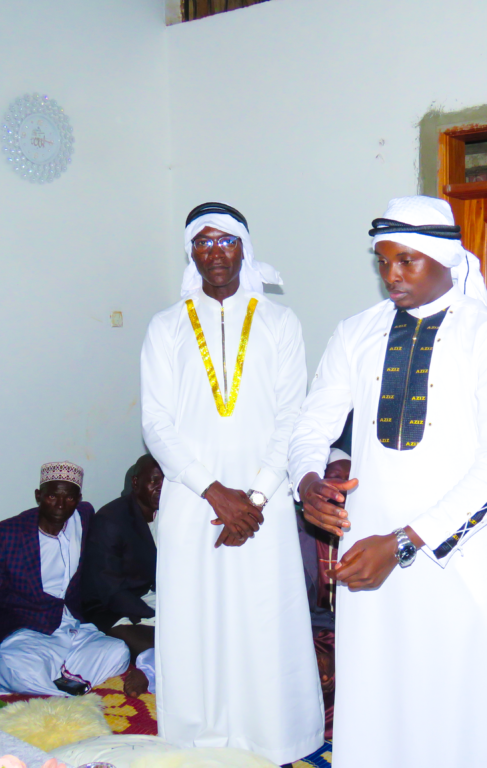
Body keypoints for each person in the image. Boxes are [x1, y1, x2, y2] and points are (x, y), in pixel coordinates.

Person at [289, 195, 487, 768]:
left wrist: (404, 542)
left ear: (445, 257)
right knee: (378, 694)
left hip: (454, 555)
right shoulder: (356, 332)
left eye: (406, 260)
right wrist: (306, 481)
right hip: (367, 545)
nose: (391, 275)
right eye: (383, 261)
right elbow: (312, 425)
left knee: (455, 700)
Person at [141, 202, 323, 763]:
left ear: (244, 248)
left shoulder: (280, 322)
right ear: (190, 252)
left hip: (264, 501)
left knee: (263, 616)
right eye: (203, 242)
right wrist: (215, 492)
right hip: (192, 498)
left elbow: (292, 416)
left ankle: (271, 735)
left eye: (225, 241)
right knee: (194, 617)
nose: (214, 252)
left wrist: (258, 497)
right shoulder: (166, 326)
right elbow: (156, 423)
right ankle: (197, 737)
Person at [0, 461, 130, 696]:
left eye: (69, 498)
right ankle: (68, 688)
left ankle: (55, 686)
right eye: (52, 496)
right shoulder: (8, 533)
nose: (61, 505)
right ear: (39, 496)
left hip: (73, 629)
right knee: (17, 670)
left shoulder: (84, 516)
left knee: (119, 652)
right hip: (28, 633)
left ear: (78, 499)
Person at [81, 454, 163, 698]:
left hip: (151, 597)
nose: (161, 487)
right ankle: (147, 670)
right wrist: (155, 614)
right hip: (112, 607)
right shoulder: (111, 520)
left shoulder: (170, 513)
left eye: (167, 480)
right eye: (155, 480)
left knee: (204, 633)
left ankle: (149, 664)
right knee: (170, 645)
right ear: (136, 483)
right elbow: (110, 590)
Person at [297, 447, 350, 740]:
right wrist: (315, 653)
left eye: (347, 483)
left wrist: (338, 653)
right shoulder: (293, 529)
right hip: (308, 631)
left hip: (357, 637)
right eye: (332, 479)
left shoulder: (374, 529)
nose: (338, 491)